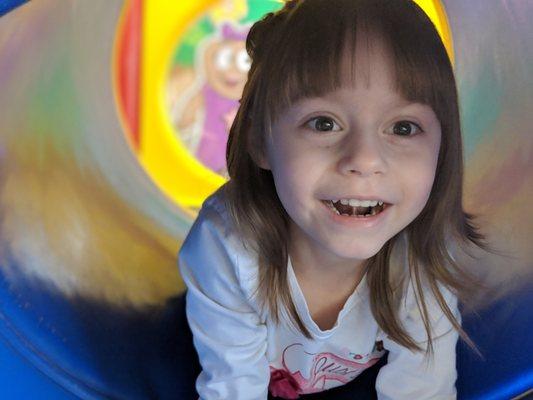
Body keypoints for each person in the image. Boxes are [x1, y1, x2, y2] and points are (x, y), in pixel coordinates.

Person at [178, 0, 488, 398]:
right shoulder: (229, 246)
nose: (364, 160)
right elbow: (233, 388)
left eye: (404, 127)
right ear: (260, 140)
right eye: (324, 123)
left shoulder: (419, 259)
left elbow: (423, 390)